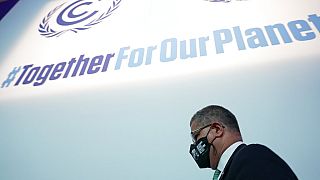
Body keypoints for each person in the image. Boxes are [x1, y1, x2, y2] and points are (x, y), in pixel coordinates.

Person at [189, 105, 298, 180]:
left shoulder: (253, 157)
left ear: (217, 129)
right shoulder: (231, 170)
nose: (195, 146)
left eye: (196, 137)